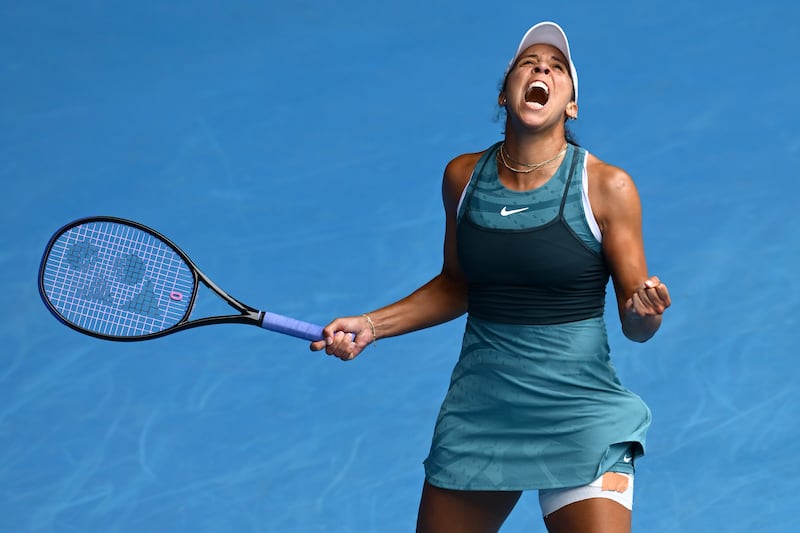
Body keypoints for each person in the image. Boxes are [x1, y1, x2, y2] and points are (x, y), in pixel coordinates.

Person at [310, 21, 671, 533]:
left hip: (579, 415)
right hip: (482, 413)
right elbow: (457, 283)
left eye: (557, 66)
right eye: (528, 63)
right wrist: (373, 324)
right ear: (505, 94)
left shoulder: (607, 187)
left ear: (570, 105)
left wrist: (644, 313)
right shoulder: (462, 178)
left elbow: (636, 323)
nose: (542, 68)